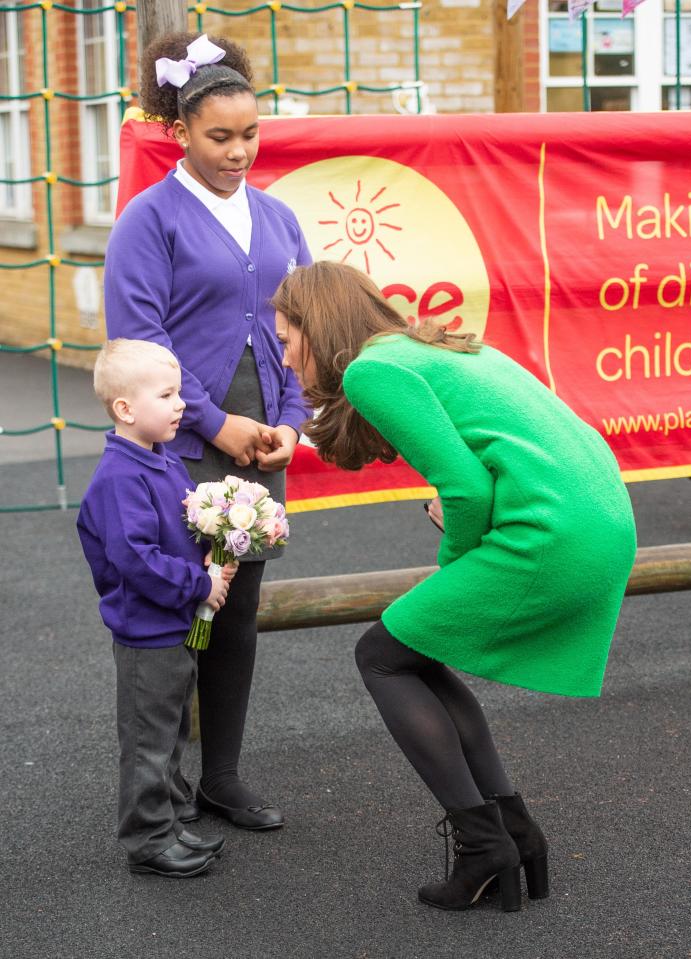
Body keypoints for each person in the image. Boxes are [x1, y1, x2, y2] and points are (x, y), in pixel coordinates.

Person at [271, 261, 637, 913]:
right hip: (599, 517)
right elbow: (496, 463)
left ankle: (483, 846)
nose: (285, 355)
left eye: (286, 337)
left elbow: (466, 488)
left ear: (315, 326)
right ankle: (515, 833)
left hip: (552, 532)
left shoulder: (370, 370)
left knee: (380, 654)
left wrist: (452, 569)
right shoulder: (429, 345)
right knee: (413, 650)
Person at [104, 33, 312, 830]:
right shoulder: (146, 221)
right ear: (181, 131)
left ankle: (221, 774)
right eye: (220, 136)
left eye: (250, 134)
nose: (238, 151)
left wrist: (290, 423)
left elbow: (300, 328)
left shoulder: (280, 216)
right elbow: (139, 343)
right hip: (179, 447)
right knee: (171, 613)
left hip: (260, 445)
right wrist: (218, 423)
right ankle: (159, 791)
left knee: (239, 608)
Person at [77, 339, 237, 876]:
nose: (180, 405)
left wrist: (215, 548)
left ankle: (168, 823)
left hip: (172, 625)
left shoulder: (160, 461)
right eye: (166, 395)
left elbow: (183, 526)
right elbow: (136, 560)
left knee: (170, 735)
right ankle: (147, 840)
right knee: (149, 741)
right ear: (125, 409)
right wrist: (198, 584)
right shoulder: (122, 477)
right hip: (148, 632)